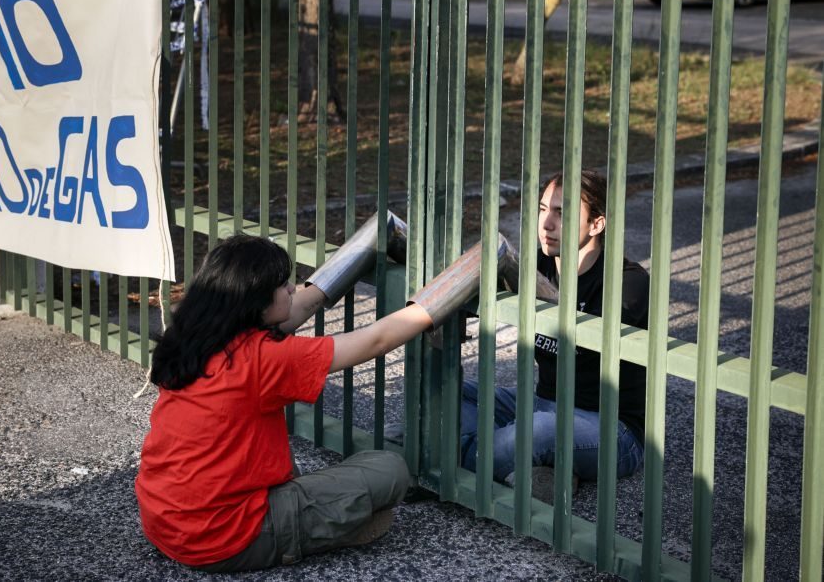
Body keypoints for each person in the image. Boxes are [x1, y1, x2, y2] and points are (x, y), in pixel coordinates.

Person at [135, 234, 436, 572]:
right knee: (389, 469)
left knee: (279, 452)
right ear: (255, 301)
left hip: (164, 520)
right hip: (225, 538)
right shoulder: (262, 357)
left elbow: (304, 302)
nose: (292, 288)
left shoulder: (194, 336)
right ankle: (308, 532)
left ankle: (309, 517)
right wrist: (447, 291)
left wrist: (372, 238)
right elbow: (376, 340)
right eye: (282, 284)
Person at [459, 170, 649, 486]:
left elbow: (583, 344)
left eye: (562, 213)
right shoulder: (539, 266)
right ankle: (531, 471)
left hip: (611, 428)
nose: (546, 224)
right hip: (543, 406)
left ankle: (443, 456)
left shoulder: (628, 282)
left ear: (597, 224)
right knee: (457, 391)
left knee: (538, 431)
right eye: (544, 209)